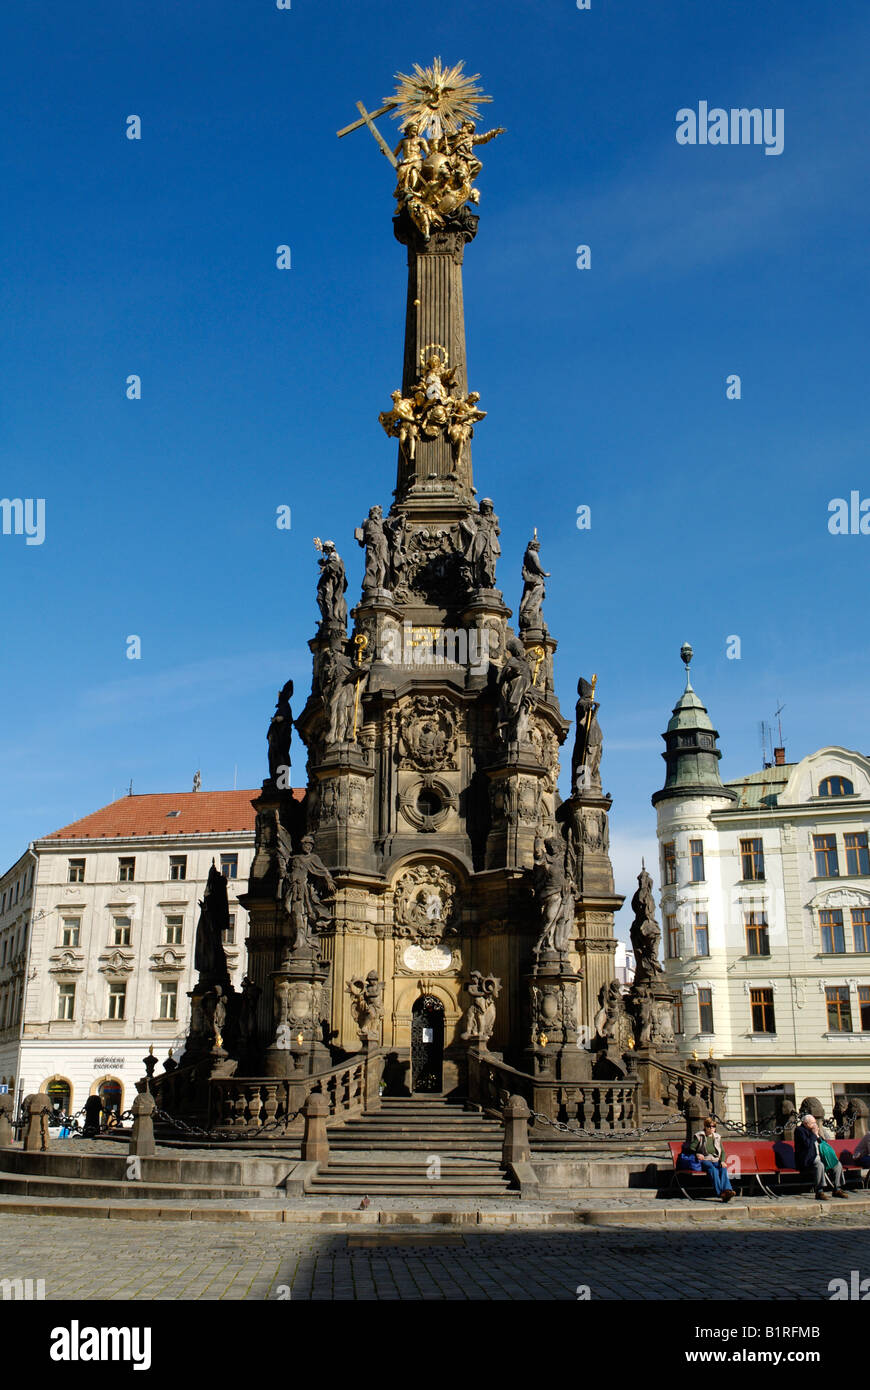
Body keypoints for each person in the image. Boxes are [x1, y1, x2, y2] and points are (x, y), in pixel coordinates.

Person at [794, 1113, 849, 1199]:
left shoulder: (813, 1131)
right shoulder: (799, 1131)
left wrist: (817, 1135)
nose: (815, 1125)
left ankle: (837, 1188)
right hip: (808, 1159)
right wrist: (814, 1134)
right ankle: (819, 1191)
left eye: (815, 1123)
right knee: (819, 1165)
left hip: (821, 1157)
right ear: (805, 1123)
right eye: (812, 1123)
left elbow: (823, 1143)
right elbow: (807, 1144)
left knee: (837, 1164)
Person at [690, 1116, 735, 1202]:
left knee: (723, 1168)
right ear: (705, 1127)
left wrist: (722, 1161)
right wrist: (697, 1154)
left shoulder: (717, 1137)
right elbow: (691, 1148)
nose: (711, 1128)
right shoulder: (700, 1136)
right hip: (705, 1160)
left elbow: (722, 1151)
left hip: (715, 1159)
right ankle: (720, 1193)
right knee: (713, 1169)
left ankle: (727, 1190)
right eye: (709, 1126)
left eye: (713, 1126)